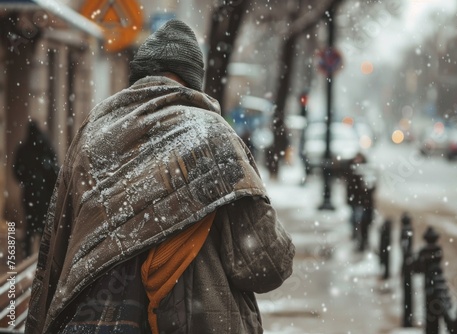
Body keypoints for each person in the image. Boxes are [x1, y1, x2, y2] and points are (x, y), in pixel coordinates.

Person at [26, 19, 295, 334]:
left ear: (137, 78)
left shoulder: (90, 138)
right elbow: (266, 266)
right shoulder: (212, 137)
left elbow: (54, 253)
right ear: (193, 82)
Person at [13, 120, 59, 256]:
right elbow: (55, 170)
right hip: (42, 193)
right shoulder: (45, 146)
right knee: (42, 227)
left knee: (30, 225)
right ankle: (40, 258)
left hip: (31, 192)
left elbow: (16, 171)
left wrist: (27, 181)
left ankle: (29, 255)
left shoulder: (25, 147)